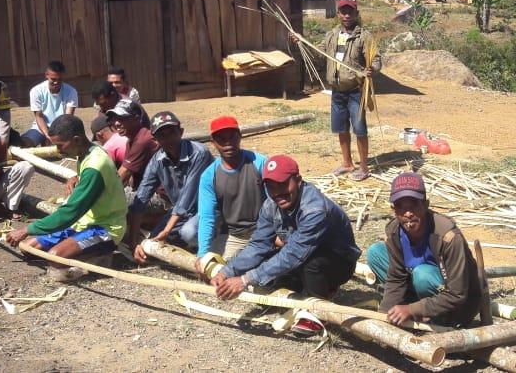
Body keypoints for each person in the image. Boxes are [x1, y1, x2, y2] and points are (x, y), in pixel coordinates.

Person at [211, 155, 361, 336]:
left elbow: (293, 254)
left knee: (310, 262)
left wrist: (244, 280)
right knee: (269, 267)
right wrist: (227, 271)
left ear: (298, 180)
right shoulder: (270, 205)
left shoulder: (315, 209)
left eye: (282, 185)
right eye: (270, 187)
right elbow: (258, 245)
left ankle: (320, 312)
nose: (277, 193)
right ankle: (303, 289)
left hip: (337, 262)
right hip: (300, 253)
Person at [6, 114, 127, 282]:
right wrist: (76, 177)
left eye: (60, 145)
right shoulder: (86, 153)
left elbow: (70, 212)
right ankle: (83, 254)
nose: (58, 150)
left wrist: (27, 229)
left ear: (76, 139)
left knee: (55, 258)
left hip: (105, 227)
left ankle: (98, 258)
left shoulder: (95, 165)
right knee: (28, 248)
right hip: (83, 223)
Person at [366, 172, 481, 327]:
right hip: (423, 288)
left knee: (422, 275)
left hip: (456, 305)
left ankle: (438, 321)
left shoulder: (448, 237)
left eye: (414, 205)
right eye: (401, 207)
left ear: (426, 205)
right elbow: (396, 278)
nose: (408, 213)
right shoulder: (394, 232)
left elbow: (457, 294)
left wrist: (412, 309)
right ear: (394, 210)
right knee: (376, 253)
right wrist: (384, 315)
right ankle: (411, 306)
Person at [130, 112, 214, 261]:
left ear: (180, 132)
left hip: (207, 208)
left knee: (189, 233)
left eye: (172, 133)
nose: (168, 139)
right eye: (162, 135)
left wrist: (167, 230)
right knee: (153, 241)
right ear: (155, 140)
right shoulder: (158, 160)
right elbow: (141, 197)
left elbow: (187, 199)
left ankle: (218, 238)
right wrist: (134, 241)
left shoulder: (199, 154)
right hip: (181, 213)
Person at [196, 116, 267, 267]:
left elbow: (275, 202)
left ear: (240, 136)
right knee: (216, 268)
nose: (228, 143)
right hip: (235, 235)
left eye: (232, 137)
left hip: (263, 231)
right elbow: (207, 216)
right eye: (221, 139)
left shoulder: (259, 163)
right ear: (212, 142)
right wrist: (202, 253)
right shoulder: (209, 176)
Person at [323, 0, 381, 180]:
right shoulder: (331, 35)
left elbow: (377, 59)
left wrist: (372, 69)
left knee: (360, 129)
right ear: (338, 13)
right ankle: (347, 163)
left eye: (350, 11)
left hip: (356, 91)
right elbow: (317, 50)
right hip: (337, 91)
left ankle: (364, 168)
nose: (347, 15)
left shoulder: (364, 36)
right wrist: (299, 41)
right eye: (343, 11)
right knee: (341, 128)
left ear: (356, 13)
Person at [22, 60, 78, 147]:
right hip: (40, 127)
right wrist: (47, 135)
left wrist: (57, 136)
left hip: (62, 128)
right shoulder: (36, 91)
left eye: (59, 79)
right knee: (24, 144)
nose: (56, 83)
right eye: (53, 79)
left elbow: (68, 117)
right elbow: (39, 116)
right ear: (46, 75)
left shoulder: (71, 91)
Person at [107, 99, 159, 189]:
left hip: (161, 194)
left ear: (137, 118)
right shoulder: (131, 140)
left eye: (122, 118)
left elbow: (122, 176)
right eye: (115, 118)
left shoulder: (142, 141)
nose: (116, 123)